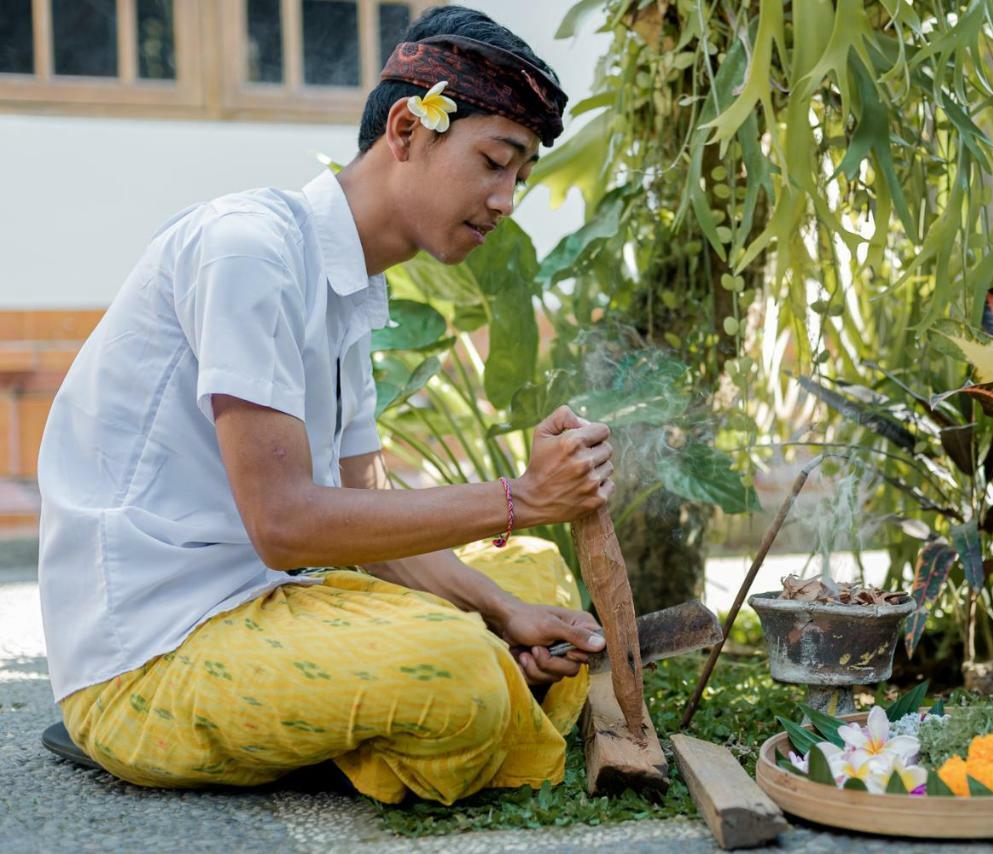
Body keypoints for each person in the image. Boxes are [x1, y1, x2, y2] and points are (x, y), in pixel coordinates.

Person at [36, 6, 612, 806]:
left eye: (520, 175)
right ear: (408, 130)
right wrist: (521, 498)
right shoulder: (249, 250)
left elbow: (363, 520)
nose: (508, 198)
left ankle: (414, 695)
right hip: (152, 655)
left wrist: (507, 609)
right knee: (457, 671)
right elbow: (287, 527)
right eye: (494, 161)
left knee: (533, 574)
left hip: (267, 607)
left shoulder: (350, 290)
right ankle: (409, 718)